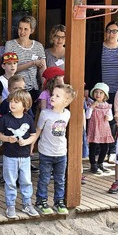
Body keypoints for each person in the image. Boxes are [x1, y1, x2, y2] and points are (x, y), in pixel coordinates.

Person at [85, 20, 118, 157]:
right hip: (101, 93)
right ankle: (98, 150)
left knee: (114, 120)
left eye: (114, 31)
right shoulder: (97, 48)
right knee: (98, 120)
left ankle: (112, 149)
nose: (111, 34)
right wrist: (88, 87)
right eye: (109, 31)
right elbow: (88, 68)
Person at [0, 89, 39, 220]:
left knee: (26, 181)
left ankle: (27, 203)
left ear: (25, 105)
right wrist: (7, 139)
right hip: (9, 156)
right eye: (11, 102)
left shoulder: (28, 119)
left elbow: (33, 135)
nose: (12, 104)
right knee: (10, 182)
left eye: (16, 102)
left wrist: (26, 142)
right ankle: (11, 205)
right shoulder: (5, 119)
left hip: (25, 157)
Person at [34, 84, 76, 215]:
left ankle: (59, 201)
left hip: (61, 152)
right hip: (46, 151)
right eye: (53, 94)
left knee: (60, 179)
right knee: (44, 178)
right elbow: (38, 131)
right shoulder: (45, 113)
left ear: (66, 101)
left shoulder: (67, 114)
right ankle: (41, 200)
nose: (53, 97)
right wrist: (31, 145)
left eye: (57, 96)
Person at [4, 15, 46, 105]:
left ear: (32, 30)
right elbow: (9, 68)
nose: (22, 32)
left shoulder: (38, 46)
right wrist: (33, 63)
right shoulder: (10, 45)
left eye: (26, 29)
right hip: (16, 89)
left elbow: (43, 70)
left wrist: (44, 88)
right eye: (20, 28)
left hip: (33, 89)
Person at [86, 82, 114, 174]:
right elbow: (87, 116)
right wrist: (91, 108)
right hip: (94, 128)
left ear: (105, 95)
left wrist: (108, 117)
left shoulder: (107, 106)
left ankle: (100, 163)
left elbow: (111, 117)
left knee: (104, 147)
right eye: (96, 92)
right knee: (93, 147)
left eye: (101, 93)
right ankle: (93, 164)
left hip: (104, 129)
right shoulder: (92, 104)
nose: (98, 94)